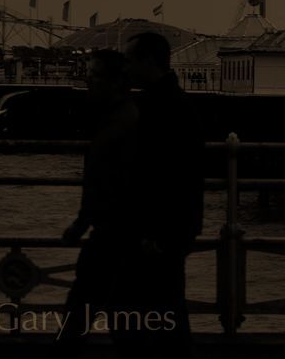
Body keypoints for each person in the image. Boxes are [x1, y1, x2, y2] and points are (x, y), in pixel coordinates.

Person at [119, 32, 204, 357]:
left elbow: (168, 176)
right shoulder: (174, 103)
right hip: (169, 228)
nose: (125, 66)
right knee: (165, 309)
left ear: (148, 61)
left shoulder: (161, 107)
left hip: (159, 233)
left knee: (154, 311)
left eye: (130, 59)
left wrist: (155, 231)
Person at [51, 50, 139, 358]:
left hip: (112, 235)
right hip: (118, 235)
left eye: (95, 74)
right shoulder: (125, 119)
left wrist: (82, 222)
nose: (88, 79)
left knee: (81, 312)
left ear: (116, 83)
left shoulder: (119, 125)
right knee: (122, 317)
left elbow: (107, 184)